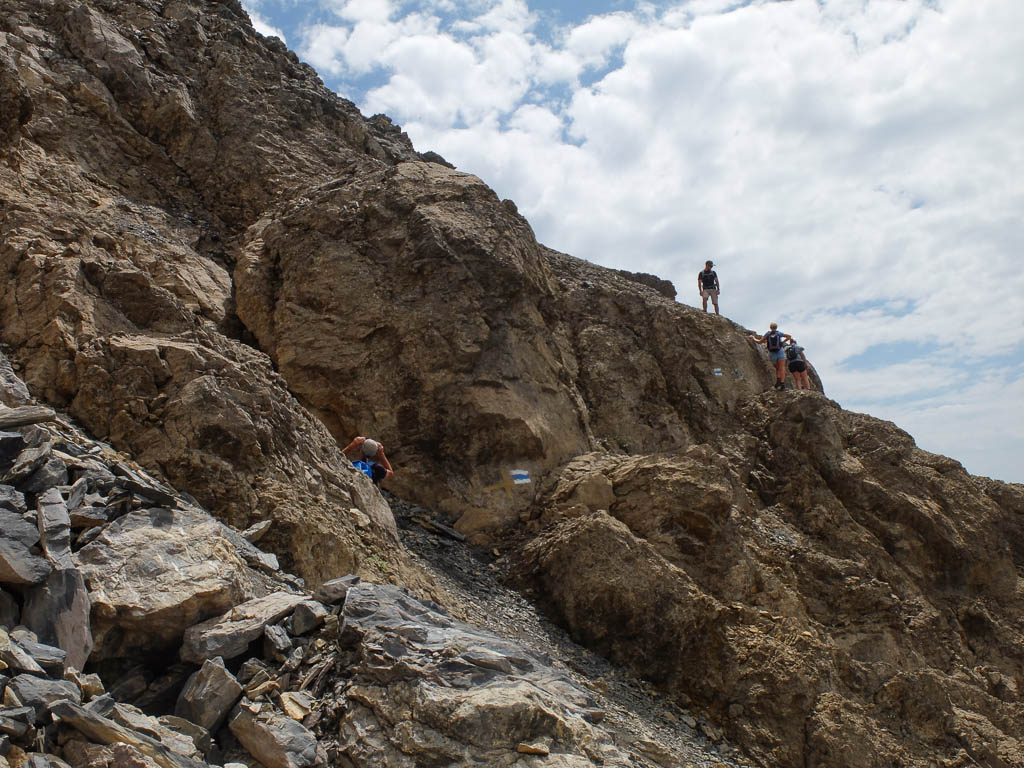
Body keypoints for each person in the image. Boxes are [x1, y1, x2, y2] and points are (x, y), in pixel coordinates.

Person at [749, 322, 793, 390]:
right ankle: (782, 384)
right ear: (776, 327)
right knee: (782, 368)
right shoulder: (779, 333)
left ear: (770, 327)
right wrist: (782, 342)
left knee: (777, 368)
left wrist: (753, 338)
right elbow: (789, 336)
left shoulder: (768, 334)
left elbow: (759, 342)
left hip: (772, 353)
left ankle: (778, 381)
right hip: (780, 351)